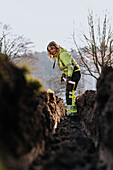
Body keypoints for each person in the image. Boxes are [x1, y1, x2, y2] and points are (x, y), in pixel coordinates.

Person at [47, 41, 81, 117]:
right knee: (69, 92)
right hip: (72, 74)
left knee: (69, 93)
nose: (51, 51)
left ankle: (72, 112)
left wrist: (69, 77)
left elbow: (70, 67)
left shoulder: (63, 55)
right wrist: (64, 75)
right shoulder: (59, 56)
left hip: (74, 74)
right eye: (49, 50)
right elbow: (66, 68)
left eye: (52, 48)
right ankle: (71, 112)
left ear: (56, 47)